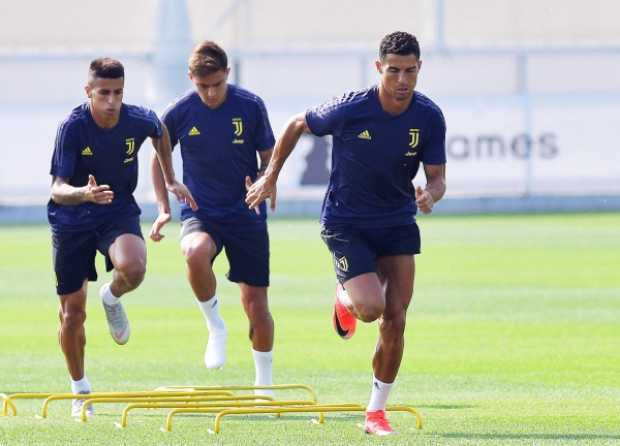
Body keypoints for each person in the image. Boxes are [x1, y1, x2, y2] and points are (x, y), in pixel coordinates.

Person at [246, 31, 447, 435]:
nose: (402, 80)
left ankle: (375, 413)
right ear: (379, 68)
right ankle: (345, 296)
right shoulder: (352, 107)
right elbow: (297, 123)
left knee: (396, 319)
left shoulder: (428, 116)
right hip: (346, 221)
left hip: (397, 221)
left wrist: (431, 196)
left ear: (420, 68)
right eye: (394, 71)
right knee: (370, 308)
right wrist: (270, 175)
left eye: (410, 71)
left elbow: (438, 179)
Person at [48, 57, 196, 417]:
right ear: (89, 92)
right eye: (103, 94)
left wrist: (170, 176)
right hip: (72, 218)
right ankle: (80, 389)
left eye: (117, 93)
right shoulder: (72, 127)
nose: (111, 101)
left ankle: (112, 297)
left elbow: (160, 130)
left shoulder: (137, 118)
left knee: (134, 266)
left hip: (115, 208)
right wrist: (83, 193)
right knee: (72, 315)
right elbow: (56, 189)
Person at [149, 41, 276, 393]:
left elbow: (270, 157)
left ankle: (264, 386)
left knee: (256, 306)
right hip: (201, 211)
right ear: (191, 78)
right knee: (193, 251)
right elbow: (158, 160)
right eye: (202, 85)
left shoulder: (250, 106)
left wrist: (267, 180)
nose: (209, 93)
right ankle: (215, 325)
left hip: (246, 212)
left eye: (217, 84)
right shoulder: (178, 113)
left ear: (227, 75)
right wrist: (163, 207)